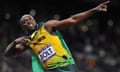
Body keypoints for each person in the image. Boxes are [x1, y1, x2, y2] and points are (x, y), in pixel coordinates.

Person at [4, 1, 110, 72]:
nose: (28, 21)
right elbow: (8, 54)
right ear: (23, 27)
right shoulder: (27, 41)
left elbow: (73, 20)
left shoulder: (47, 26)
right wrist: (14, 42)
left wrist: (93, 10)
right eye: (25, 22)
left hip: (65, 65)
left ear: (34, 20)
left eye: (30, 19)